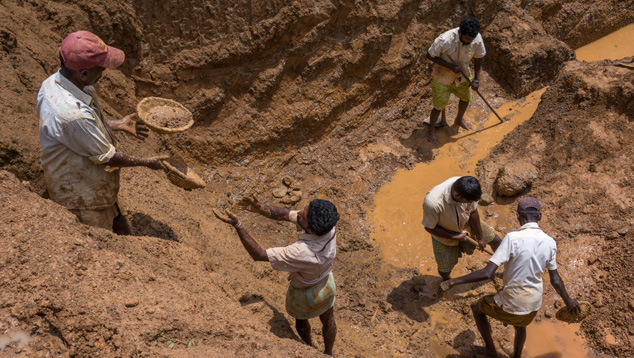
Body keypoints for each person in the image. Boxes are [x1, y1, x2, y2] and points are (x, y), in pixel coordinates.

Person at [37, 31, 164, 234]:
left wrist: (117, 124)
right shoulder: (73, 114)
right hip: (81, 195)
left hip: (90, 179)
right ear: (84, 73)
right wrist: (148, 162)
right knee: (102, 243)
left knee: (118, 218)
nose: (104, 70)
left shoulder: (58, 82)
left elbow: (81, 129)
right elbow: (107, 158)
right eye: (100, 67)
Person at [441, 197, 581, 358]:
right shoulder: (550, 242)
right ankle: (516, 357)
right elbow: (555, 279)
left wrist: (454, 281)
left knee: (476, 308)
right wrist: (568, 301)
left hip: (513, 303)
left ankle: (491, 351)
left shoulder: (512, 238)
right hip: (533, 304)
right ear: (540, 217)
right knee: (520, 326)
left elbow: (488, 272)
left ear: (518, 216)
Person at [213, 196, 339, 355]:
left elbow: (258, 255)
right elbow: (286, 215)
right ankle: (328, 353)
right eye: (305, 208)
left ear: (312, 230)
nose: (299, 213)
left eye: (304, 215)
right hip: (325, 283)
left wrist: (237, 225)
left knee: (300, 320)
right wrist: (259, 208)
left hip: (302, 291)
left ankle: (308, 348)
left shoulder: (301, 252)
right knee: (328, 321)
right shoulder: (329, 228)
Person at [422, 176, 501, 280]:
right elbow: (429, 227)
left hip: (466, 222)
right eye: (467, 201)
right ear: (457, 195)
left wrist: (480, 237)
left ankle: (505, 261)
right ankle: (446, 281)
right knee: (445, 268)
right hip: (444, 234)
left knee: (496, 240)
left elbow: (473, 211)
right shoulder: (433, 203)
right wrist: (454, 236)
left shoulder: (467, 187)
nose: (470, 202)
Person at [425, 17, 486, 144]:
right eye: (467, 39)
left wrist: (476, 79)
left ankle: (459, 120)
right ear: (460, 33)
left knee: (466, 98)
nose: (470, 41)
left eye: (472, 39)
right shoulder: (445, 39)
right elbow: (429, 55)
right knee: (439, 106)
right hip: (442, 76)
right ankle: (431, 130)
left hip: (463, 75)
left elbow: (479, 58)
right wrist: (450, 66)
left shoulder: (476, 38)